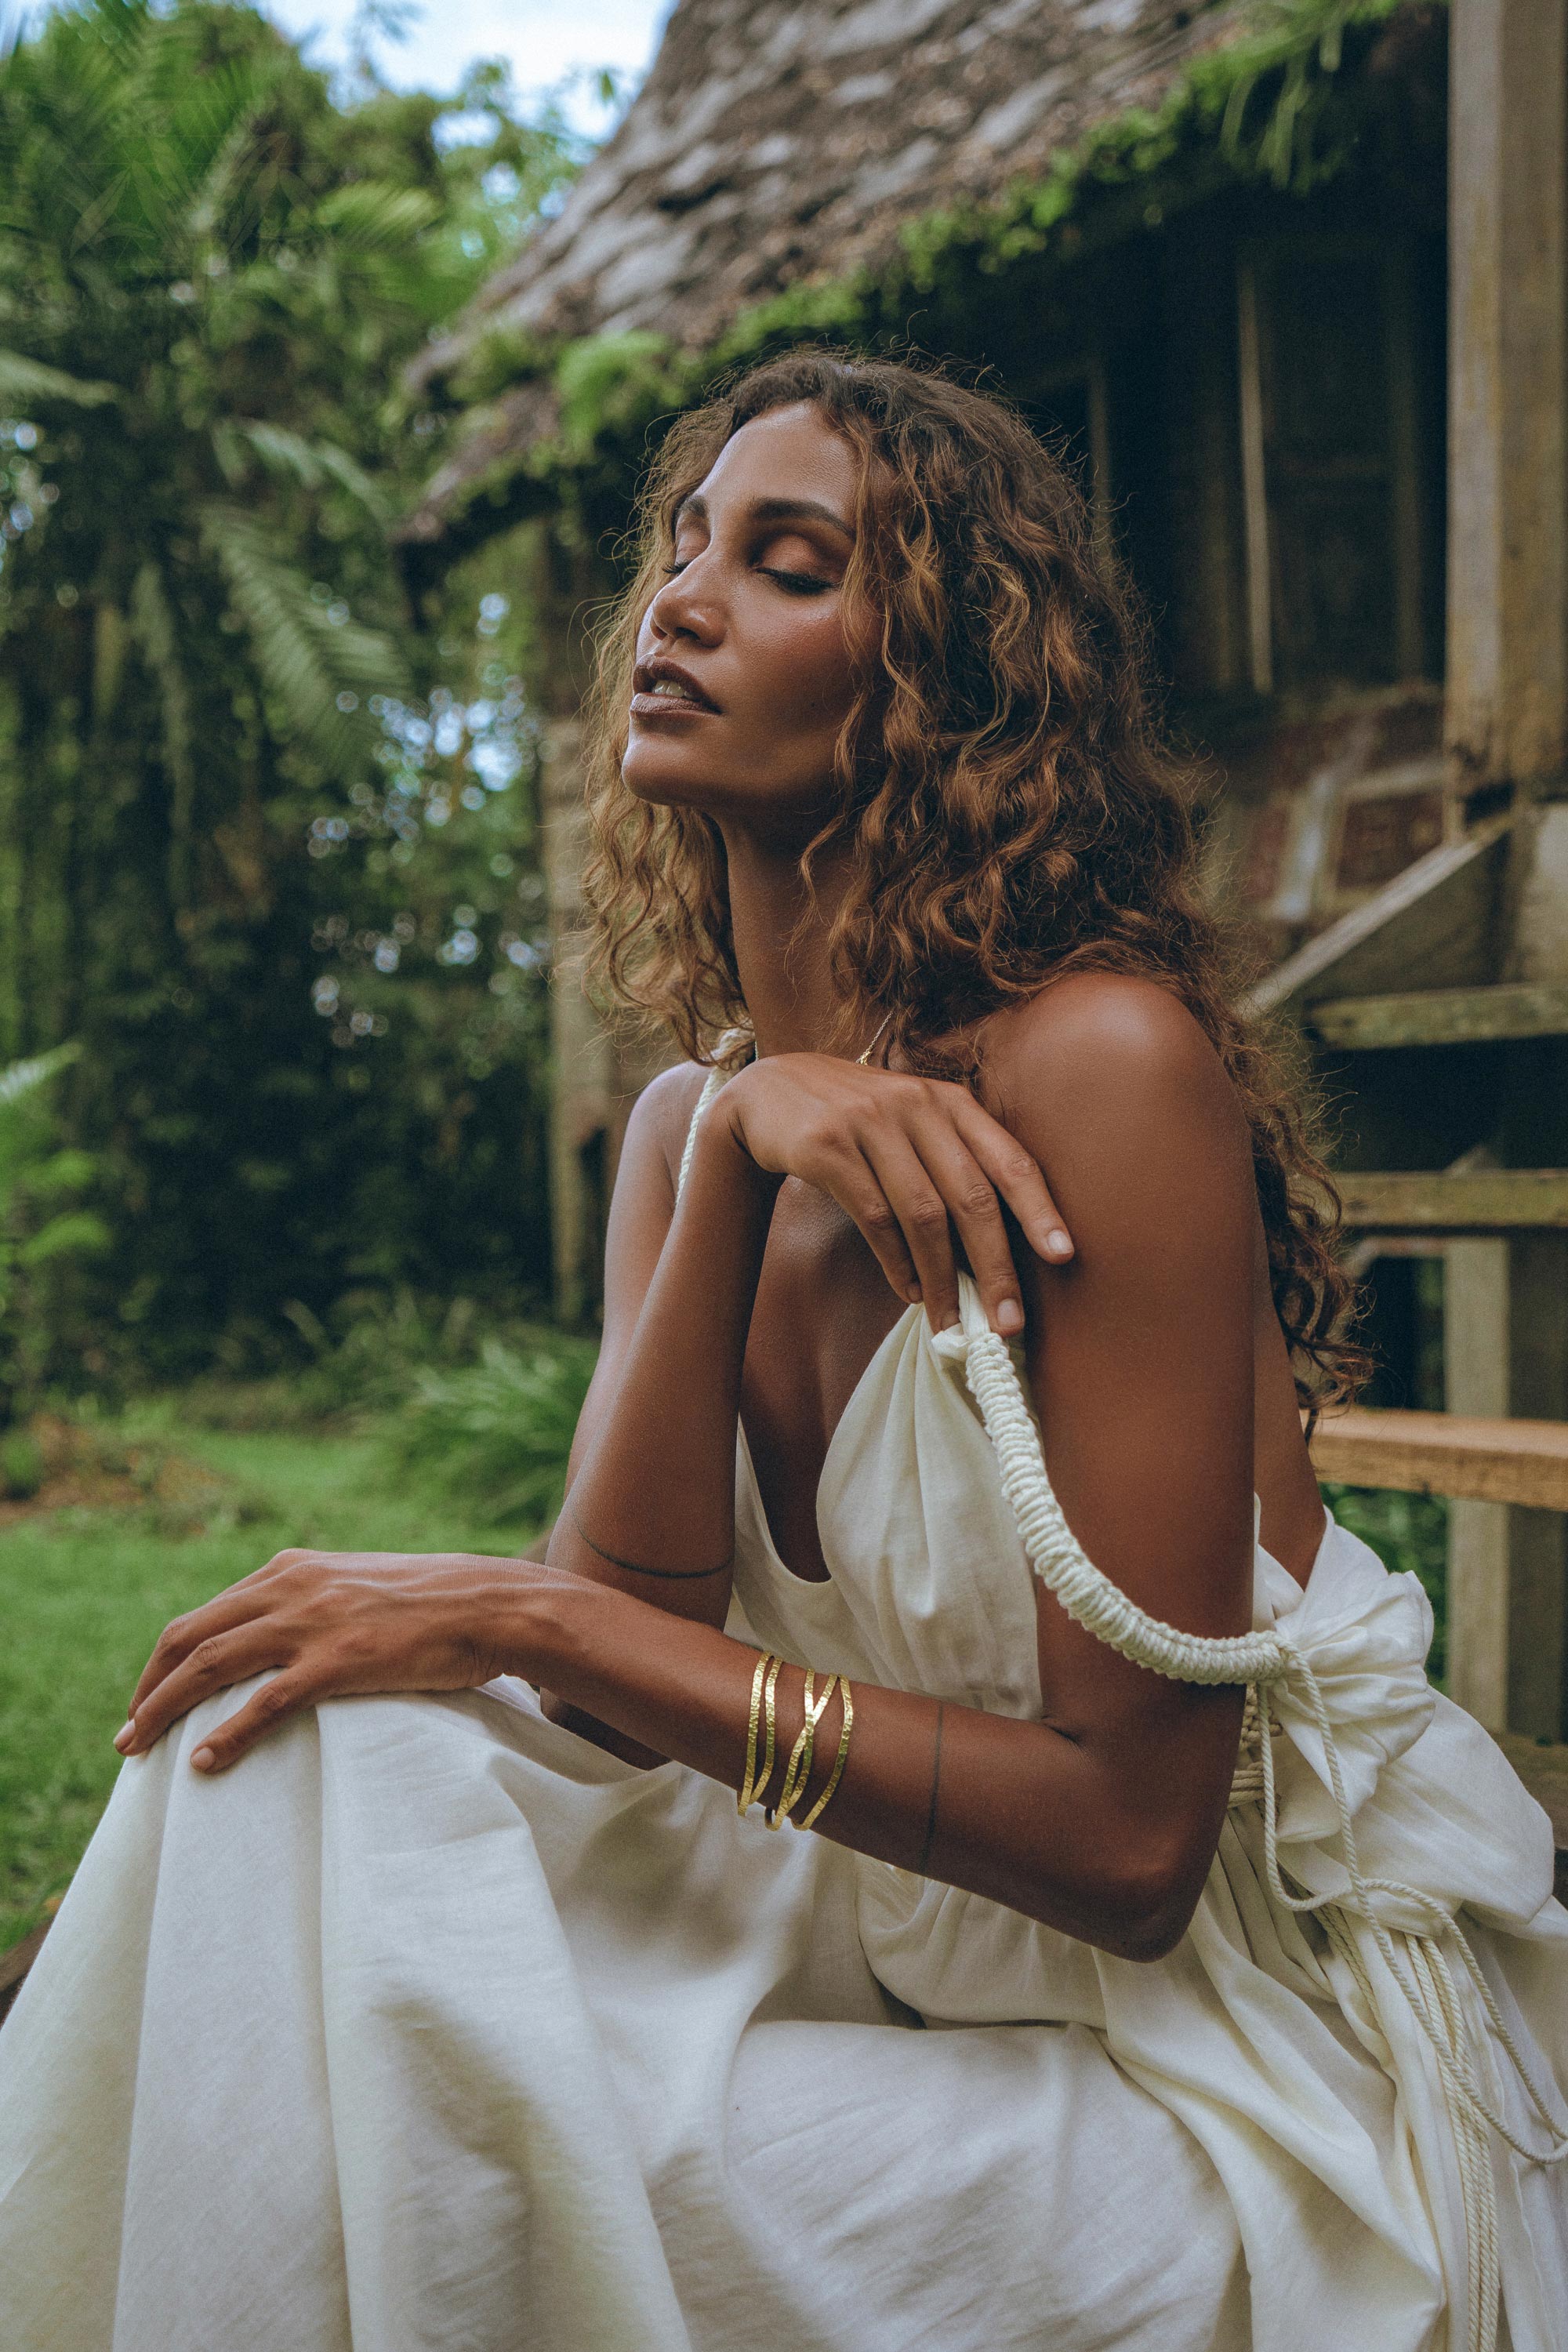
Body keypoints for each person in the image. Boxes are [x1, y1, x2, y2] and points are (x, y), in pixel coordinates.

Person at [2, 352, 1564, 2352]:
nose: (679, 598)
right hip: (897, 1983)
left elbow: (1129, 1849)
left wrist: (512, 1616)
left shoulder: (1103, 1072)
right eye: (679, 547)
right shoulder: (690, 1135)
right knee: (293, 1762)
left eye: (788, 561)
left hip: (1221, 2066)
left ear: (940, 676)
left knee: (424, 2105)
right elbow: (627, 1664)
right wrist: (737, 1144)